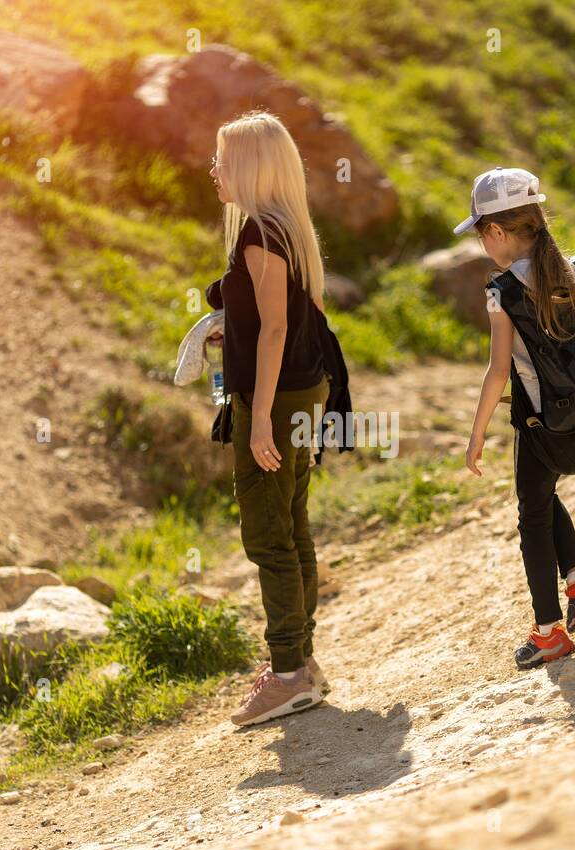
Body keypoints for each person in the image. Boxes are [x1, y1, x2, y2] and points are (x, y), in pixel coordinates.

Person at [204, 111, 333, 725]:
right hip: (306, 392)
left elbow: (276, 328)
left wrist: (256, 421)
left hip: (276, 402)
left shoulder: (259, 234)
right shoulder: (287, 228)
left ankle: (287, 675)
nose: (215, 171)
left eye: (224, 161)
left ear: (250, 168)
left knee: (267, 535)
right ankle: (301, 662)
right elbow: (269, 321)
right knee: (294, 523)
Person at [460, 168, 575, 669]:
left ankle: (549, 630)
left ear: (498, 232)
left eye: (481, 232)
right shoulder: (571, 270)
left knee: (532, 516)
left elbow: (497, 369)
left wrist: (476, 433)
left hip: (542, 427)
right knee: (540, 495)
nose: (482, 242)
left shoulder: (501, 290)